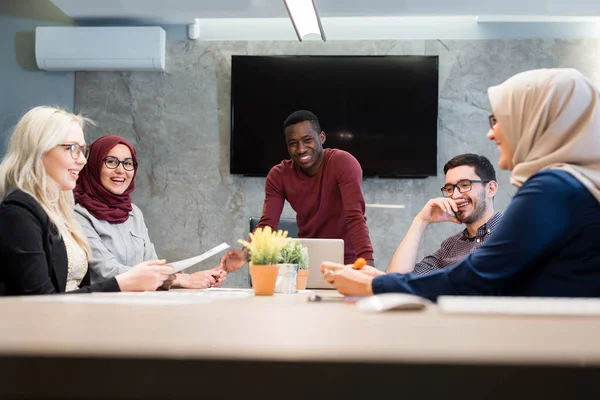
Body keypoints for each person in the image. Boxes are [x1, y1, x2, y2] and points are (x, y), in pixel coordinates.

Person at [321, 68, 600, 300]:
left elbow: (476, 277)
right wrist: (382, 278)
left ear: (535, 121)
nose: (491, 134)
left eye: (498, 120)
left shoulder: (553, 187)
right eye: (450, 187)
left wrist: (373, 286)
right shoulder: (573, 186)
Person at [0, 106, 174, 295]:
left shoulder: (58, 211)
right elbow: (40, 301)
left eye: (83, 150)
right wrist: (122, 283)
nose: (83, 160)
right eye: (72, 148)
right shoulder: (18, 213)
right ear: (40, 150)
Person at [220, 110, 374, 270]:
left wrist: (368, 265)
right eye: (293, 143)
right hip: (307, 262)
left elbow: (355, 216)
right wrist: (246, 253)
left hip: (349, 262)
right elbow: (267, 224)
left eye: (308, 140)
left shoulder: (343, 163)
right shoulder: (279, 175)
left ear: (322, 138)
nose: (300, 149)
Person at [73, 135, 225, 289]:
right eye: (111, 162)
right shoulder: (78, 214)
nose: (121, 170)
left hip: (142, 301)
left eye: (128, 163)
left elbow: (152, 263)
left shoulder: (133, 212)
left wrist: (189, 277)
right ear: (93, 165)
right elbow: (108, 271)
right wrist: (180, 279)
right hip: (102, 305)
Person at [385, 154, 502, 275]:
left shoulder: (513, 234)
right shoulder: (450, 246)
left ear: (491, 189)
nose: (455, 195)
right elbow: (396, 279)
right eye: (450, 189)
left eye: (465, 185)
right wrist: (421, 220)